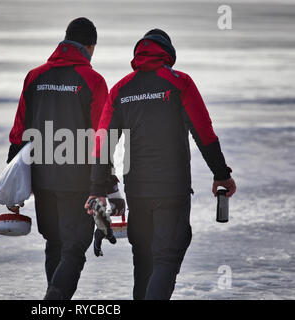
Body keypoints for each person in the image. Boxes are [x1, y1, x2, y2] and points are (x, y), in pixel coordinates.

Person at [85, 29, 236, 300]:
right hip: (172, 190)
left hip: (138, 191)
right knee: (167, 256)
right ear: (168, 54)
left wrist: (97, 189)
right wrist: (221, 175)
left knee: (143, 261)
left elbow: (103, 143)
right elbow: (204, 132)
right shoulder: (180, 83)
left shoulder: (121, 89)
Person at [7, 17, 124, 300]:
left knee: (55, 243)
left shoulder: (35, 76)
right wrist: (107, 182)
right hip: (78, 180)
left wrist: (13, 180)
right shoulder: (93, 80)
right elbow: (101, 136)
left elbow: (19, 130)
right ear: (90, 47)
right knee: (74, 247)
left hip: (42, 178)